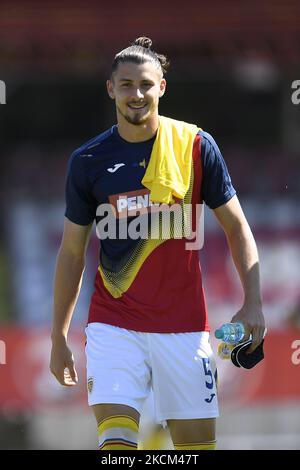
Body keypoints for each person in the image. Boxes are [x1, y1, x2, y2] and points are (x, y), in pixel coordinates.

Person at [50, 36, 266, 450]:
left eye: (146, 84)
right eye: (127, 84)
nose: (137, 94)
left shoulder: (196, 147)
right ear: (111, 89)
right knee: (117, 445)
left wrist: (253, 301)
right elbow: (72, 252)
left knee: (196, 450)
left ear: (162, 87)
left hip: (185, 329)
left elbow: (238, 228)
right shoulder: (87, 161)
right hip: (113, 324)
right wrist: (58, 335)